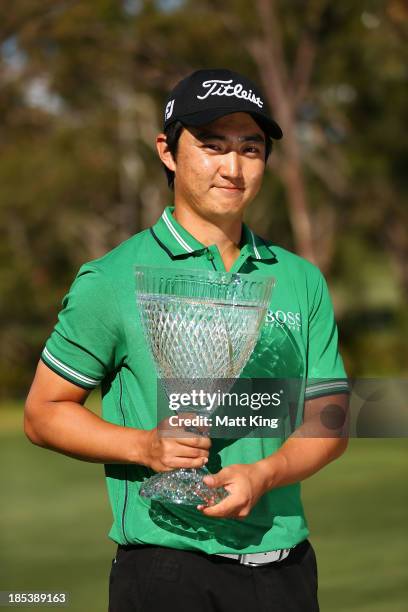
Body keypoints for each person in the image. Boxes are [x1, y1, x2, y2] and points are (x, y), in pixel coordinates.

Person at [25, 68, 349, 612]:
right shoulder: (110, 279)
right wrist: (144, 447)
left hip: (286, 572)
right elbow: (43, 413)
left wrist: (264, 474)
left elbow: (331, 417)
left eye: (250, 148)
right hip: (165, 571)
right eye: (212, 146)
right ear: (168, 152)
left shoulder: (299, 278)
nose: (233, 167)